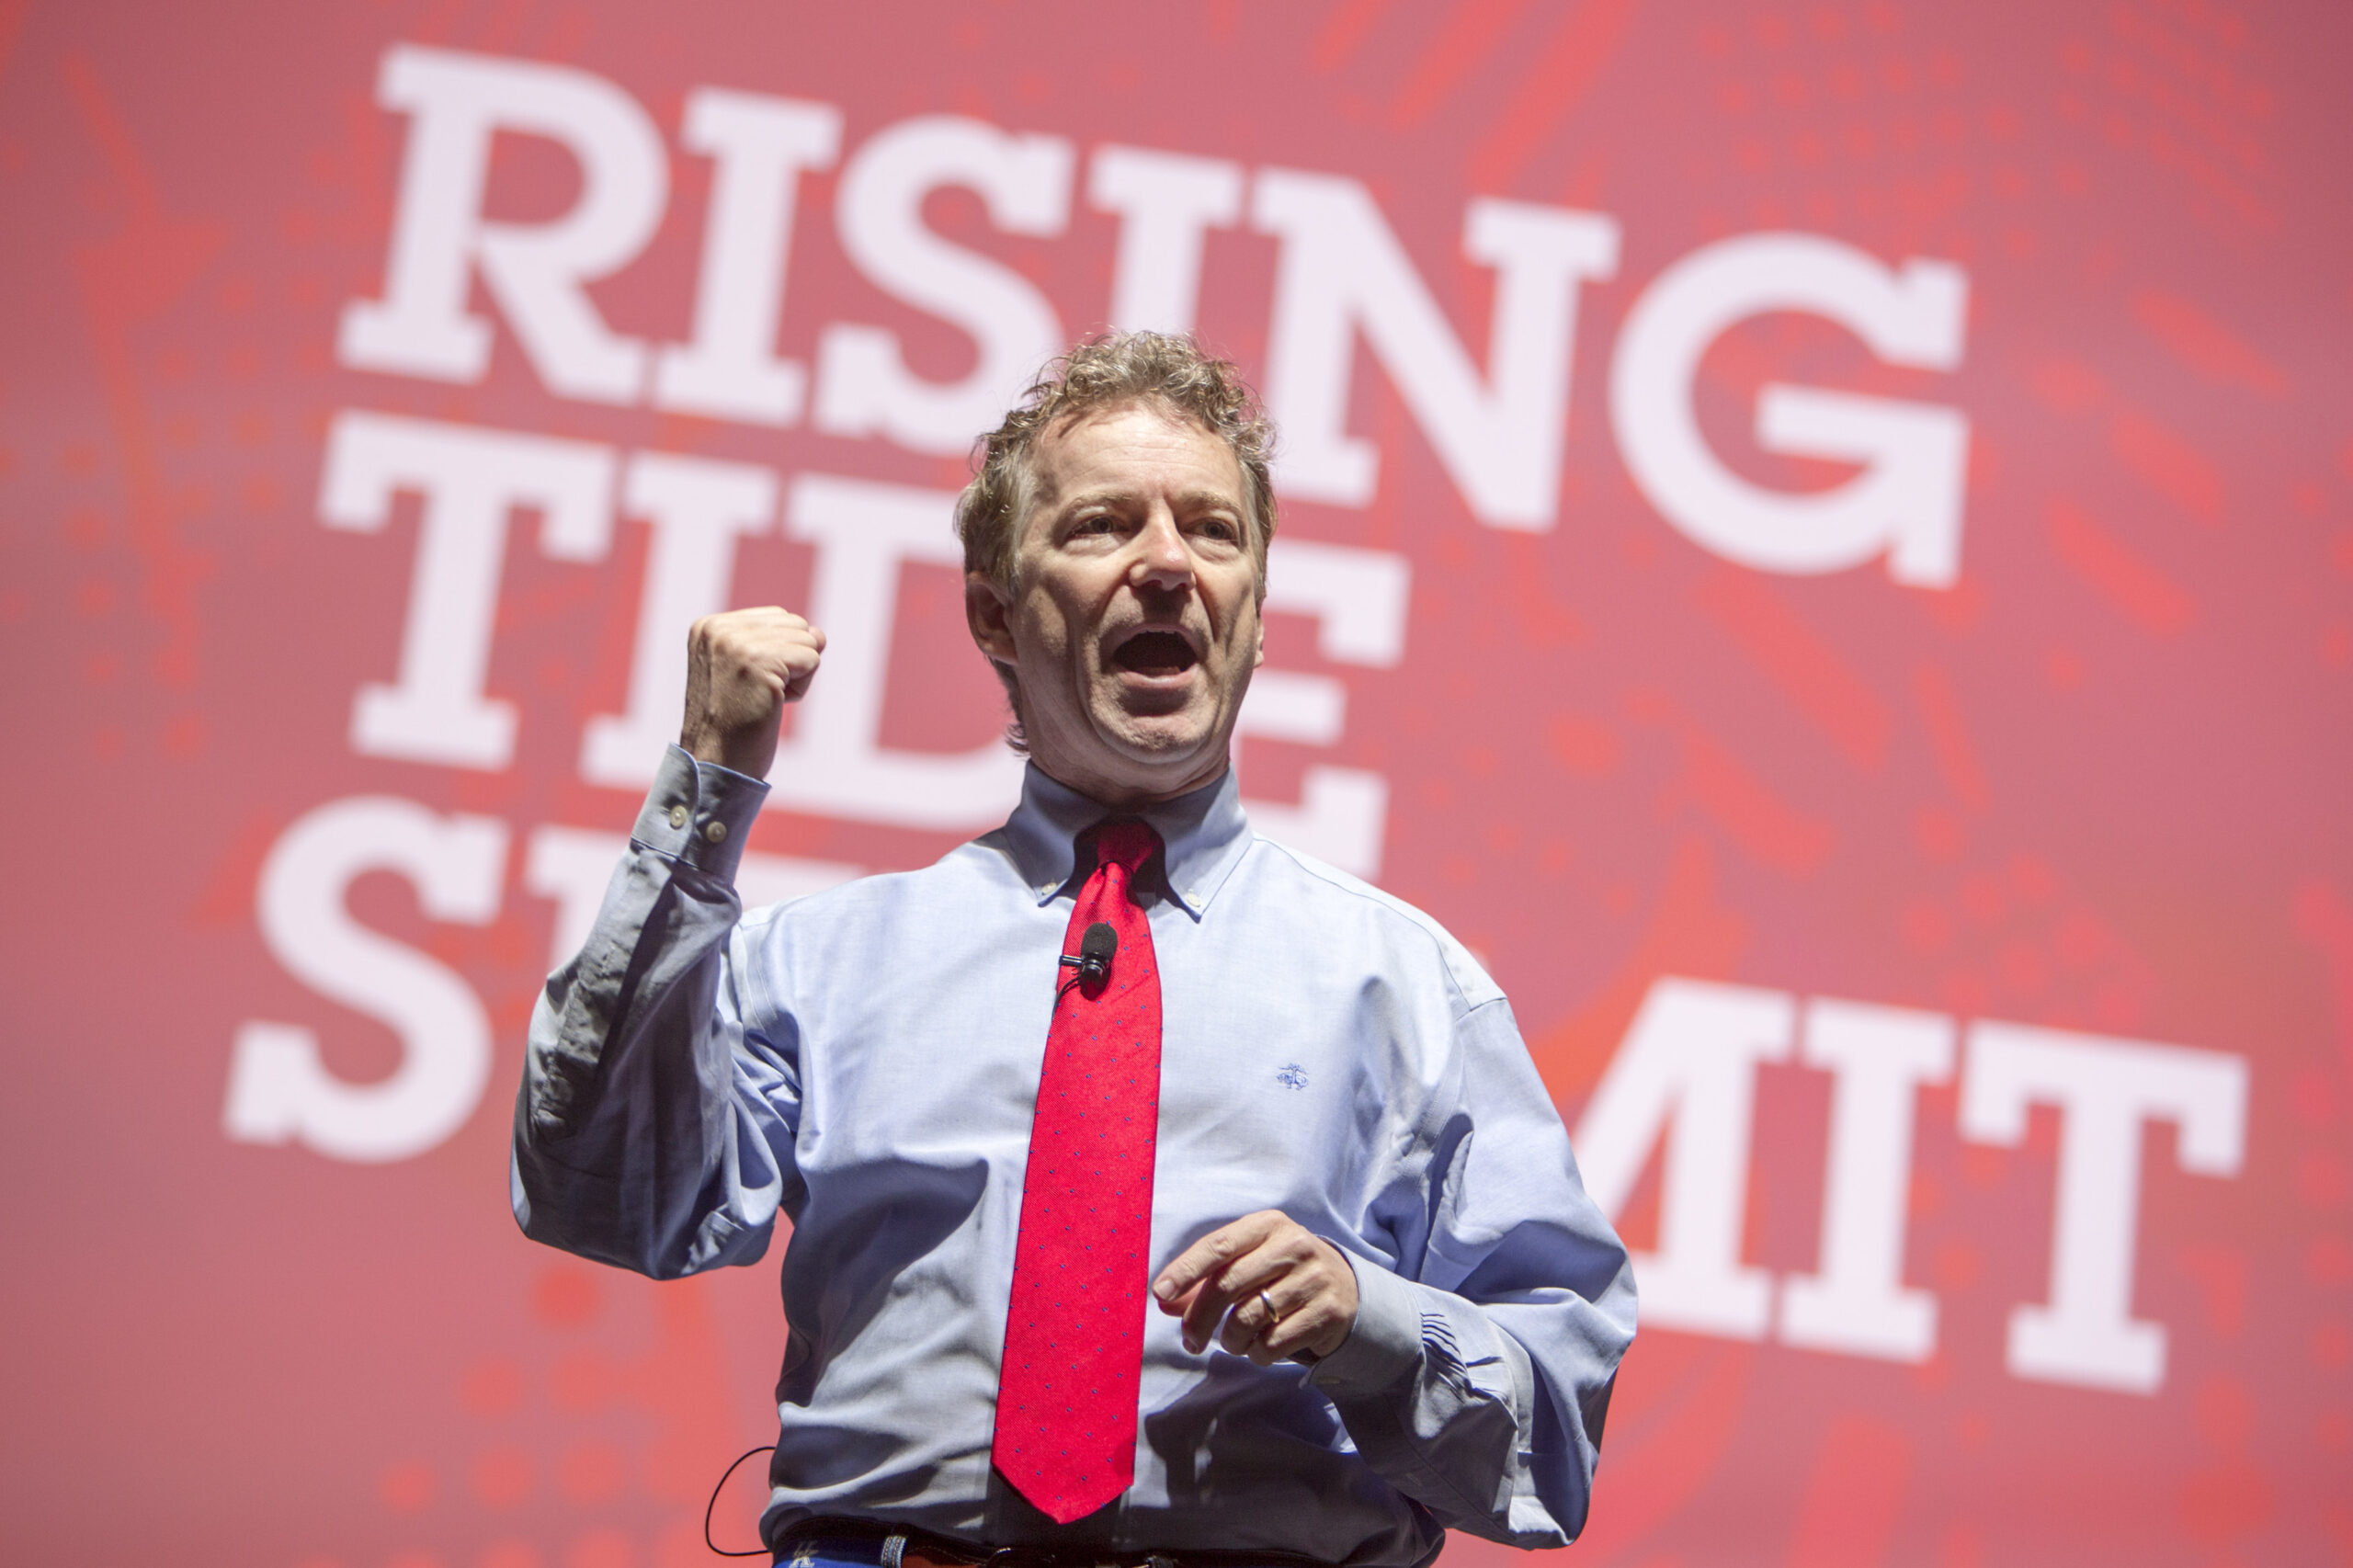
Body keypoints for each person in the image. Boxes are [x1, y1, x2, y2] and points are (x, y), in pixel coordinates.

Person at [511, 332, 1635, 1567]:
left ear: (1254, 612)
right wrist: (705, 792)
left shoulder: (1413, 992)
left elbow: (1557, 1441)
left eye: (1213, 531)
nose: (1166, 563)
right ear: (996, 610)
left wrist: (1368, 1320)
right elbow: (604, 1193)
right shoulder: (826, 962)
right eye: (1104, 525)